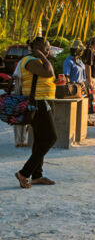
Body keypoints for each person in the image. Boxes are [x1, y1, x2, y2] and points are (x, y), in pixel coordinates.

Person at [14, 37, 57, 188]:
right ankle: (24, 173)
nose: (49, 50)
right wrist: (43, 56)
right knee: (51, 138)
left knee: (40, 139)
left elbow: (45, 77)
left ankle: (37, 175)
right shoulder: (29, 60)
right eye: (47, 47)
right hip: (38, 104)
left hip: (45, 101)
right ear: (38, 47)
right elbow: (49, 72)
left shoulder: (36, 60)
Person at [82, 36, 95, 124]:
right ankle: (86, 119)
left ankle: (87, 118)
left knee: (90, 99)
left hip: (91, 78)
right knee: (89, 99)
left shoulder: (91, 51)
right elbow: (87, 66)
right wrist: (89, 80)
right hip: (89, 78)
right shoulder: (89, 51)